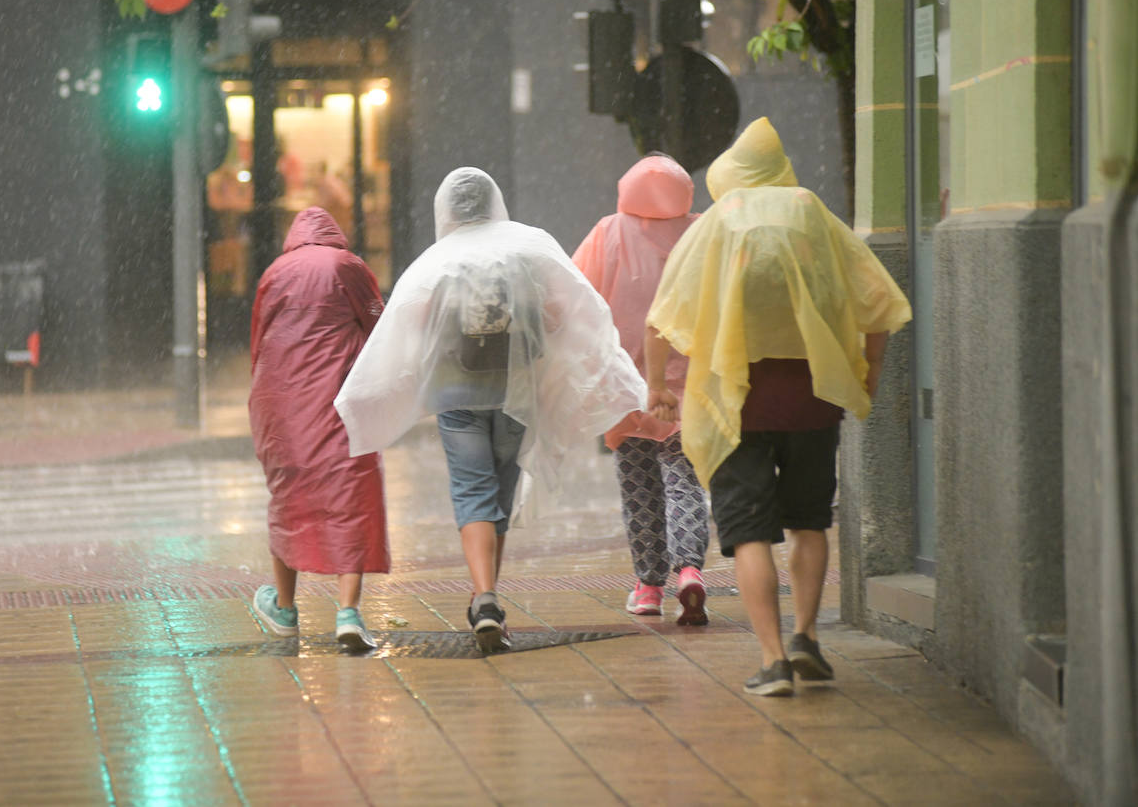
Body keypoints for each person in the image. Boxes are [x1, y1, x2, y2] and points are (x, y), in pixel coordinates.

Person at [645, 118, 911, 695]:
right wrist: (867, 374)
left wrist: (657, 386)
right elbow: (878, 302)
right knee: (809, 520)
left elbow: (664, 313)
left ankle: (772, 661)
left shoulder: (721, 220)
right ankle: (806, 637)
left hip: (737, 400)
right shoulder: (810, 213)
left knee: (750, 534)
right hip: (814, 396)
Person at [336, 167, 645, 653]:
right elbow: (563, 312)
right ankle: (488, 602)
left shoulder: (437, 261)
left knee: (472, 492)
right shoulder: (527, 247)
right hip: (514, 391)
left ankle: (485, 598)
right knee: (499, 495)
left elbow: (407, 326)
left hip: (456, 395)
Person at [573, 154, 710, 625]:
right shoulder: (700, 232)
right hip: (689, 387)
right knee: (684, 480)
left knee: (639, 489)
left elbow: (577, 300)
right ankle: (689, 568)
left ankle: (649, 586)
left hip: (627, 387)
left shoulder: (607, 233)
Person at [248, 206, 388, 652]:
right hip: (339, 403)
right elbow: (379, 327)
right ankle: (347, 612)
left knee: (289, 499)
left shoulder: (274, 272)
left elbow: (259, 341)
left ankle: (285, 609)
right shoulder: (347, 266)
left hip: (283, 406)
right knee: (352, 498)